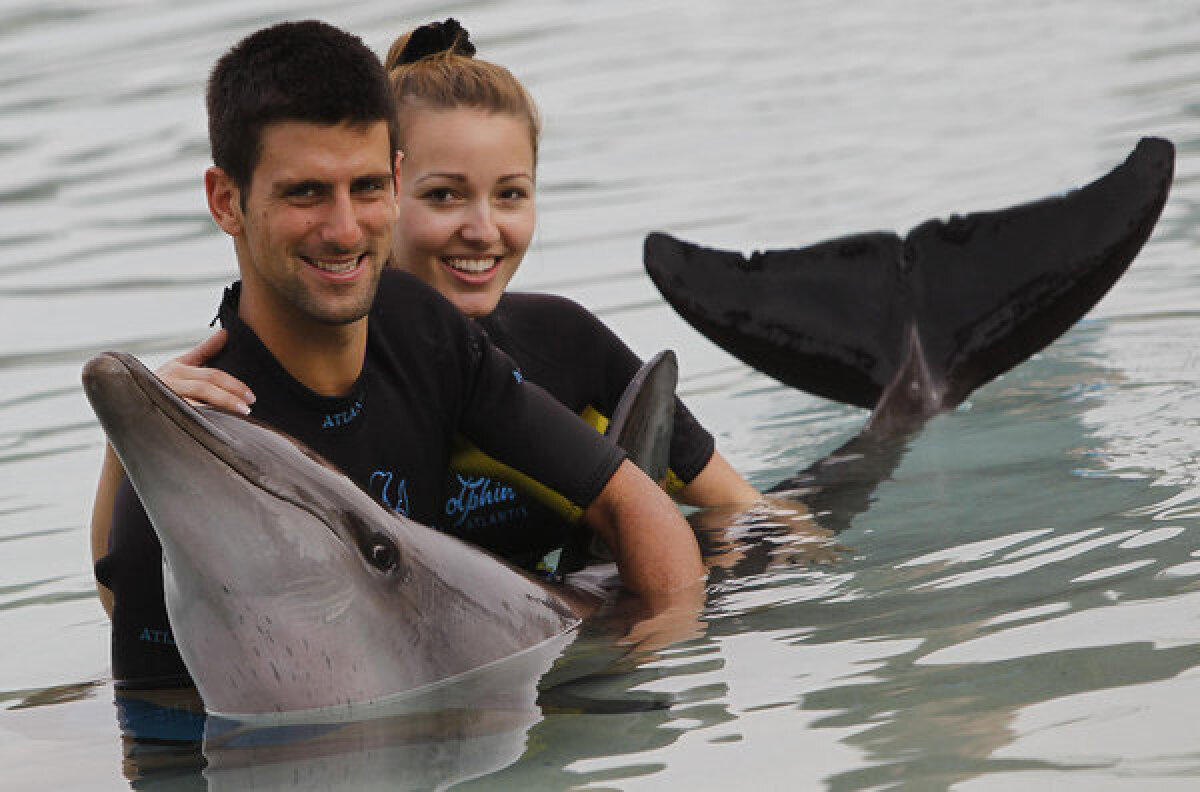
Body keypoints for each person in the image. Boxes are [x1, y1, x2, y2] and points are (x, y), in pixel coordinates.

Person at [89, 19, 704, 687]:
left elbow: (632, 503)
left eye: (368, 187)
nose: (345, 229)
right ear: (226, 200)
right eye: (305, 192)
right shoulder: (202, 455)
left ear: (396, 177)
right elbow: (157, 732)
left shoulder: (417, 324)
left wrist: (646, 672)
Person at [154, 18, 766, 579]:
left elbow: (746, 513)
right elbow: (145, 591)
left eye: (511, 195)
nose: (482, 229)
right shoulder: (298, 383)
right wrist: (143, 417)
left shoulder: (564, 343)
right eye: (444, 196)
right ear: (394, 191)